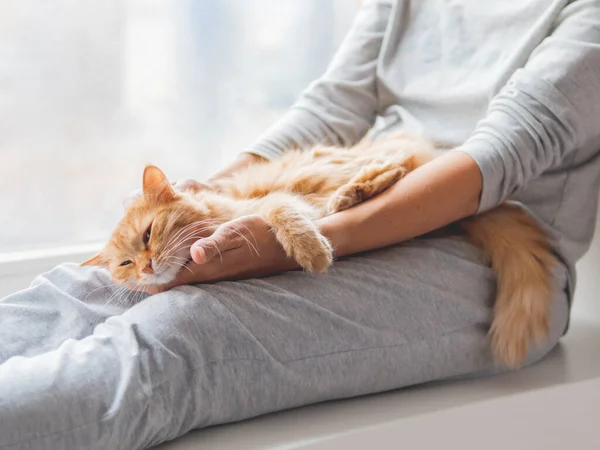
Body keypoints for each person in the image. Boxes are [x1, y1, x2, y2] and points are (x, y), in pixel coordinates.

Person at [1, 1, 599, 449]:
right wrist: (213, 198)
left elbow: (494, 161)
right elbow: (333, 107)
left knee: (185, 330)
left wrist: (293, 243)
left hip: (483, 246)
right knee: (94, 288)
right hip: (352, 185)